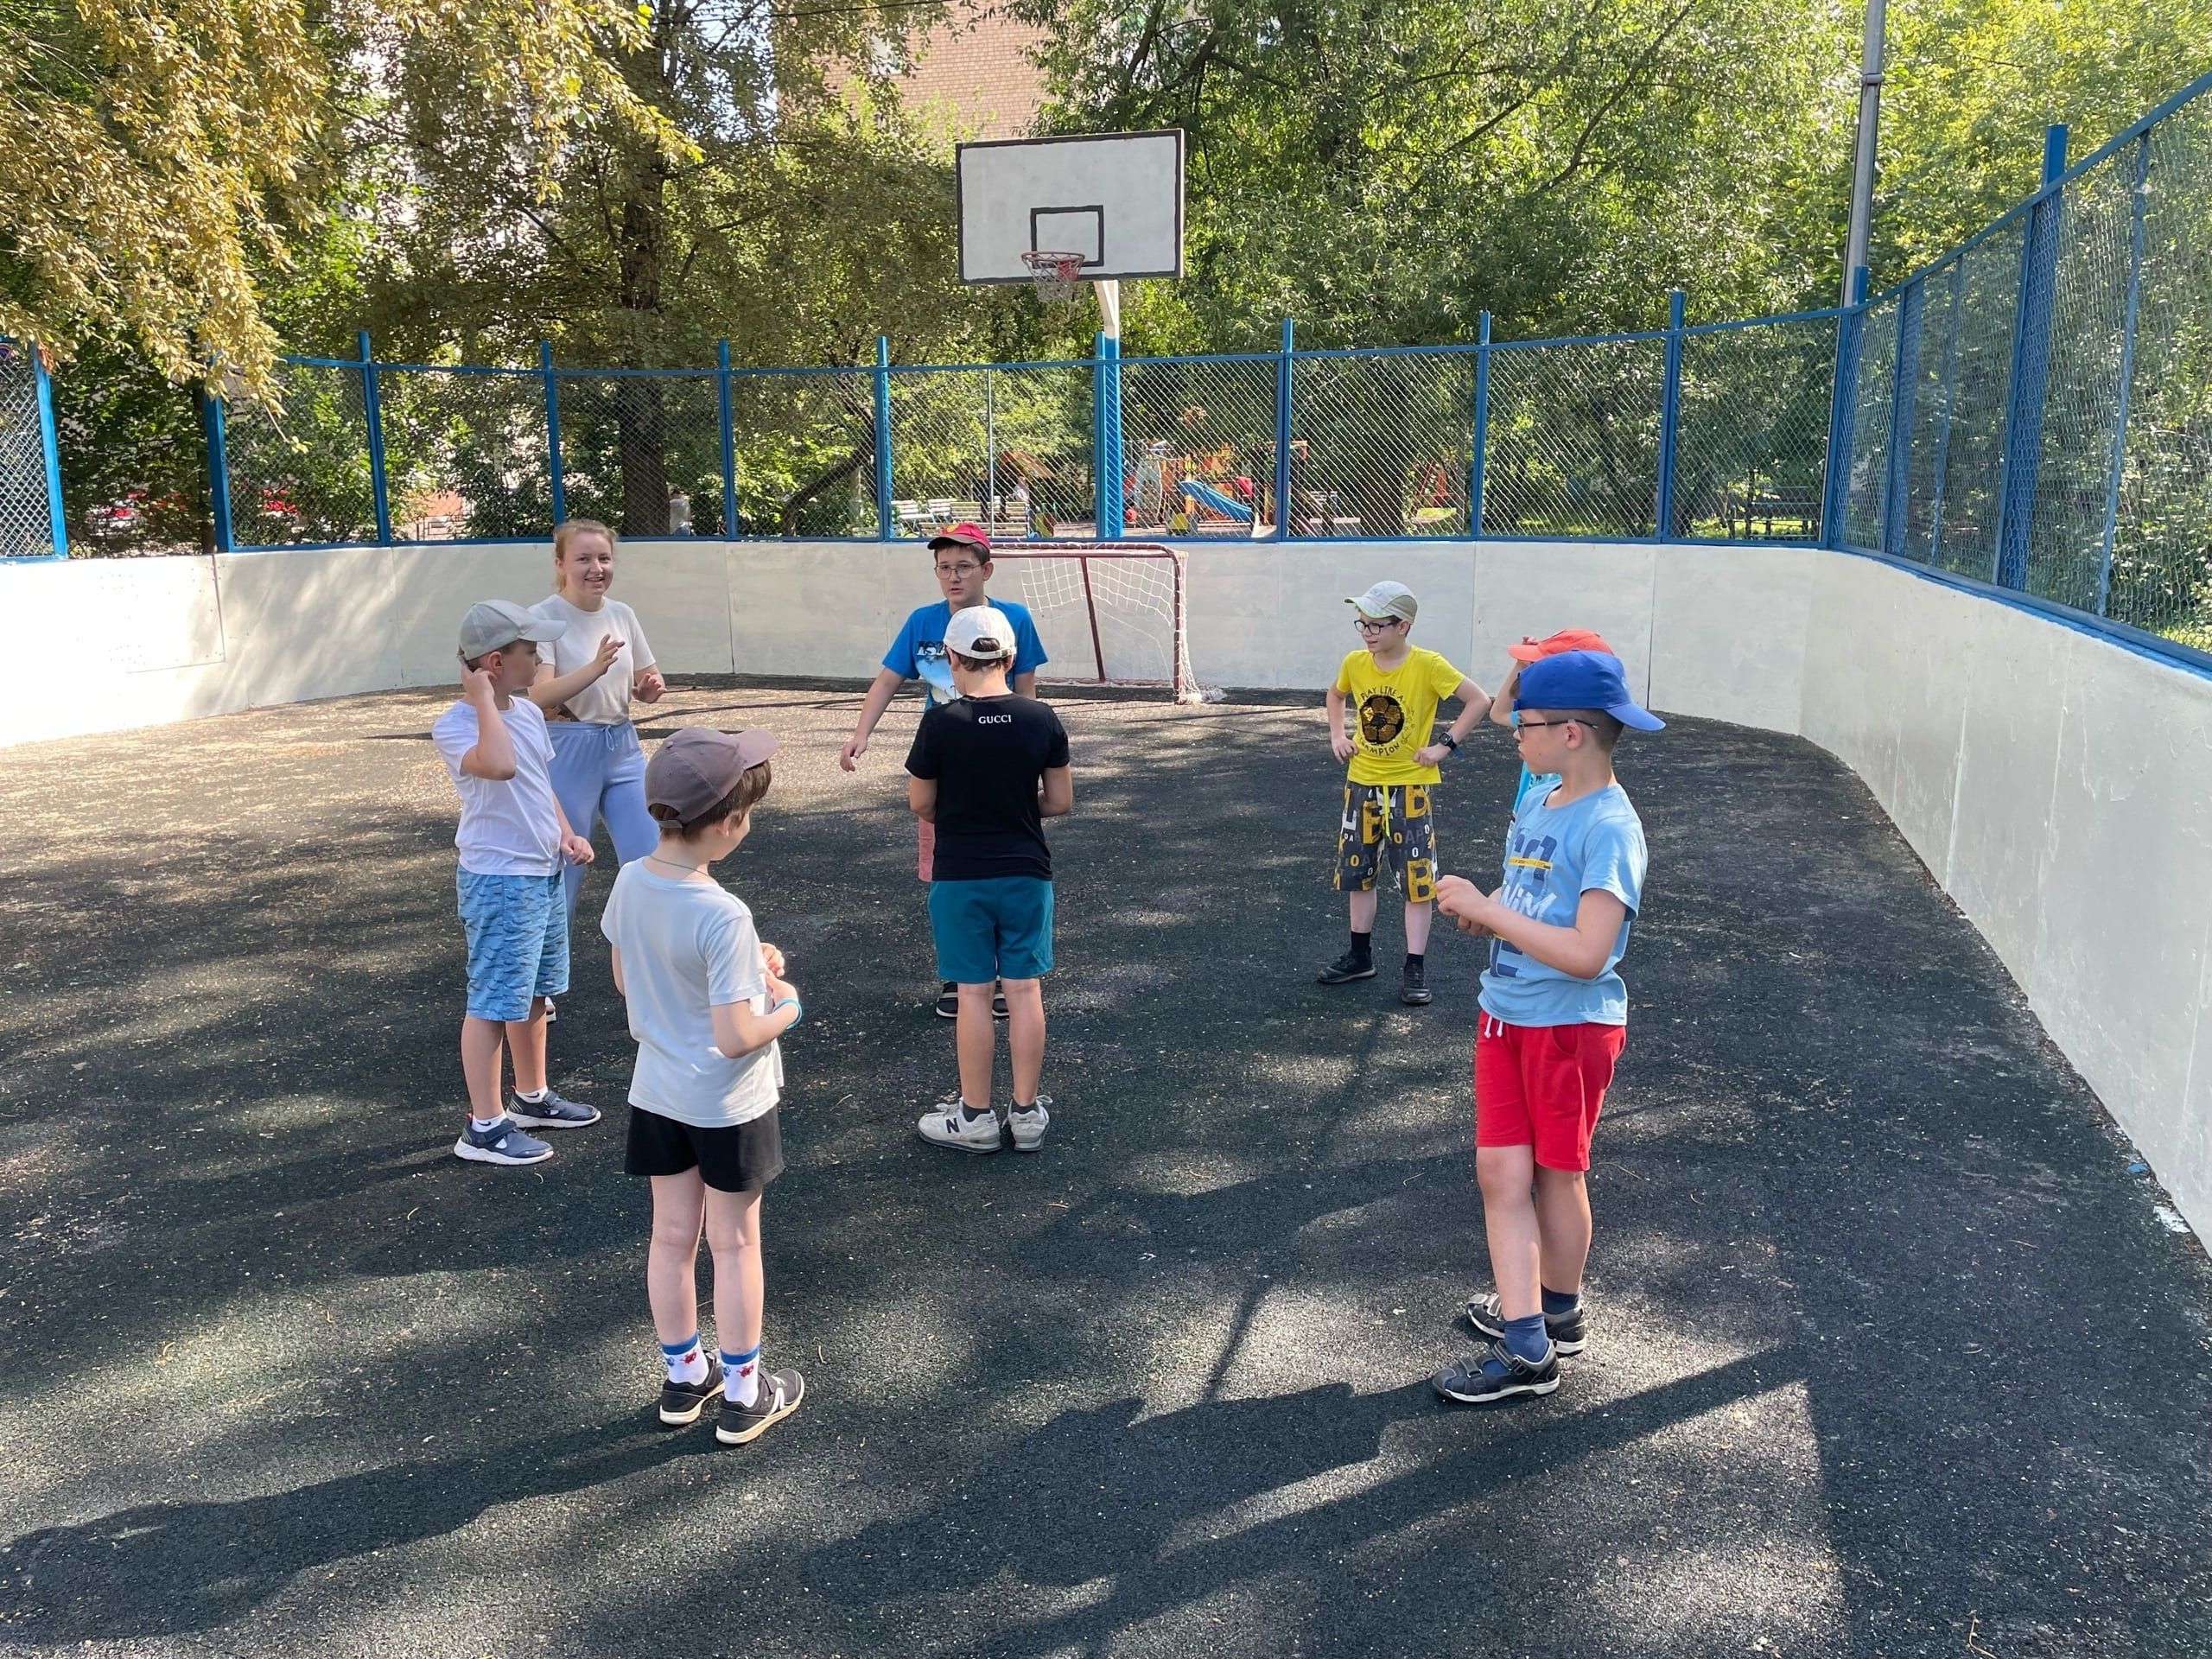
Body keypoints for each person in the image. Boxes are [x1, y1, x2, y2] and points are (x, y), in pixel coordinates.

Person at [1428, 650, 1662, 1405]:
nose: (1512, 735)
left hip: (1568, 1027)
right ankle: (1539, 1322)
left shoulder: (1611, 828)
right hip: (1507, 1013)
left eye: (1523, 725)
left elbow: (1591, 955)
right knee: (1502, 1172)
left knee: (1557, 1172)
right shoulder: (1542, 800)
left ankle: (1540, 1337)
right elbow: (1525, 896)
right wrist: (1487, 912)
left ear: (1571, 733)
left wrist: (1492, 911)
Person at [601, 727, 806, 1446]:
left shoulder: (631, 877)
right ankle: (748, 1392)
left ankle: (687, 1375)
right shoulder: (723, 912)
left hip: (657, 1092)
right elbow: (734, 1035)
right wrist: (786, 1005)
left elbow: (632, 977)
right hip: (725, 1102)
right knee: (737, 1243)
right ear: (726, 826)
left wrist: (748, 965)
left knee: (671, 1237)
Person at [838, 524, 1049, 1019]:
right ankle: (964, 974)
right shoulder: (922, 621)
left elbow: (1027, 689)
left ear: (986, 570)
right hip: (946, 763)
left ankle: (1004, 976)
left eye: (964, 567)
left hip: (1000, 763)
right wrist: (861, 732)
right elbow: (889, 677)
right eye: (944, 568)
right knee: (947, 869)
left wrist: (1030, 755)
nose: (953, 577)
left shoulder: (1013, 618)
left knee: (1008, 860)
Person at [432, 600, 605, 1167]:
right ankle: (483, 1126)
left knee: (534, 991)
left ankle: (530, 1097)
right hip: (500, 880)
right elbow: (500, 766)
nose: (539, 660)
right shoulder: (457, 725)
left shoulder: (529, 712)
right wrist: (483, 700)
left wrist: (564, 833)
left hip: (540, 872)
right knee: (491, 999)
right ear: (494, 661)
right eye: (530, 651)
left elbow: (535, 782)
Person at [904, 605, 1072, 1154]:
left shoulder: (941, 722)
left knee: (973, 992)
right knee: (1024, 990)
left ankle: (974, 1116)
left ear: (952, 658)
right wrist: (1016, 810)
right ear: (1010, 656)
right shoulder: (1041, 718)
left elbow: (921, 802)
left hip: (959, 876)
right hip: (1026, 871)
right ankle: (1025, 1113)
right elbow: (1061, 800)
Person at [1319, 582, 1491, 1007]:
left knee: (1417, 883)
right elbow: (1336, 694)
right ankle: (1360, 956)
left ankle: (1415, 966)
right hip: (1361, 782)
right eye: (1363, 623)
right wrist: (1337, 733)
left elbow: (1479, 700)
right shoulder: (1356, 663)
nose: (1367, 631)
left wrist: (1443, 747)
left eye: (1378, 624)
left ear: (1404, 625)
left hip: (1409, 786)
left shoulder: (1428, 665)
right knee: (1359, 874)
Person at [529, 519, 667, 923]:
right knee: (567, 864)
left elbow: (648, 676)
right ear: (559, 564)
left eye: (604, 558)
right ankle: (544, 978)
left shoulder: (622, 614)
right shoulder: (543, 618)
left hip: (621, 746)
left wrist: (648, 689)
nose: (596, 568)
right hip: (567, 747)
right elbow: (538, 696)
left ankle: (653, 965)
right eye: (583, 559)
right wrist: (593, 669)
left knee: (652, 859)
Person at [1486, 626, 1618, 811]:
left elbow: (1499, 713)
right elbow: (1498, 713)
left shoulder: (1547, 723)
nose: (1518, 734)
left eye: (1539, 668)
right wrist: (1521, 665)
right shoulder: (1539, 721)